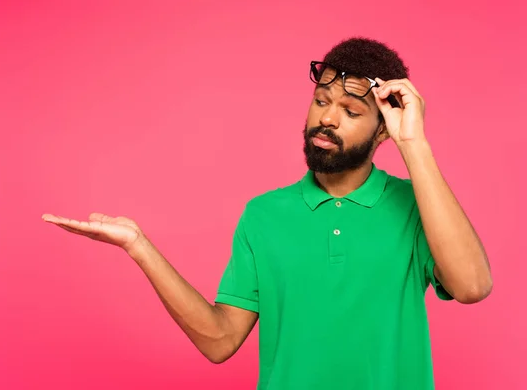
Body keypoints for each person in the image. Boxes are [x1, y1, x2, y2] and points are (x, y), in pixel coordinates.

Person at [42, 37, 492, 389]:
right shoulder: (264, 215)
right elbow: (220, 341)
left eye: (352, 111)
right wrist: (139, 247)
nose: (327, 119)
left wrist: (414, 143)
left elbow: (472, 286)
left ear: (382, 134)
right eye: (321, 101)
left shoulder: (419, 207)